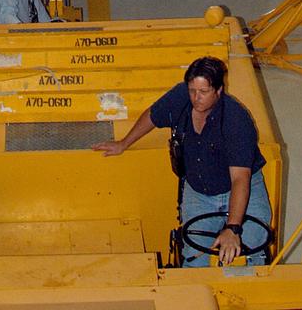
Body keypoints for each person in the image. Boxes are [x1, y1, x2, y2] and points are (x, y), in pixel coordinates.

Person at [94, 56, 271, 268]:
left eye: (203, 92)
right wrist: (123, 143)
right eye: (192, 90)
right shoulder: (181, 96)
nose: (196, 98)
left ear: (219, 90)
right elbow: (153, 115)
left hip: (243, 188)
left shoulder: (236, 120)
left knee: (253, 249)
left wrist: (233, 229)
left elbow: (240, 179)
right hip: (200, 192)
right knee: (193, 257)